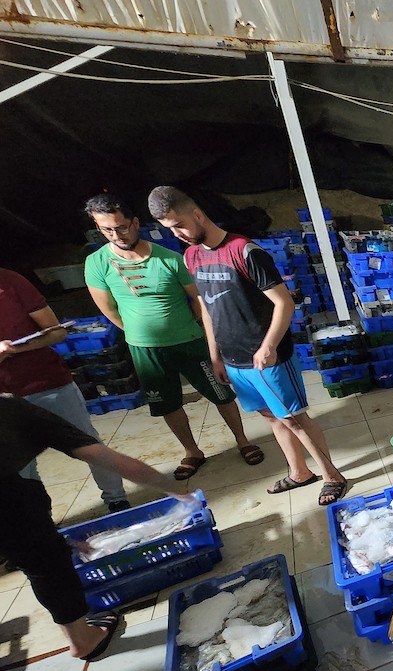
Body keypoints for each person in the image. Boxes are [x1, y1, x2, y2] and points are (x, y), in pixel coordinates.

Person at [147, 186, 349, 506]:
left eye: (179, 224)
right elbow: (208, 307)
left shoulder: (244, 251)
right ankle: (299, 472)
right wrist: (215, 355)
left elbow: (284, 304)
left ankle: (332, 476)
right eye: (169, 228)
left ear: (198, 215)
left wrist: (268, 346)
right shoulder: (192, 255)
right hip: (233, 359)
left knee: (294, 417)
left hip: (268, 357)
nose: (177, 234)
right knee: (271, 417)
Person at [83, 193, 262, 480]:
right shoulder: (97, 263)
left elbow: (199, 301)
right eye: (106, 230)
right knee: (167, 403)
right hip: (145, 350)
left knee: (221, 393)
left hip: (189, 341)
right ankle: (193, 451)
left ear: (136, 222)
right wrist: (139, 331)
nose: (116, 235)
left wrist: (190, 327)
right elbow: (110, 311)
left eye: (122, 227)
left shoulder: (170, 259)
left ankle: (243, 440)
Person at [0, 395, 191, 660]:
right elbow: (100, 456)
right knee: (45, 562)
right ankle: (83, 640)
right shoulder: (11, 409)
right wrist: (173, 490)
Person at [0, 267, 130, 513]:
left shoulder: (11, 281)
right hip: (5, 399)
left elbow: (57, 332)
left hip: (49, 382)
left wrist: (17, 349)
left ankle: (117, 500)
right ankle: (41, 518)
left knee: (87, 444)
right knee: (21, 466)